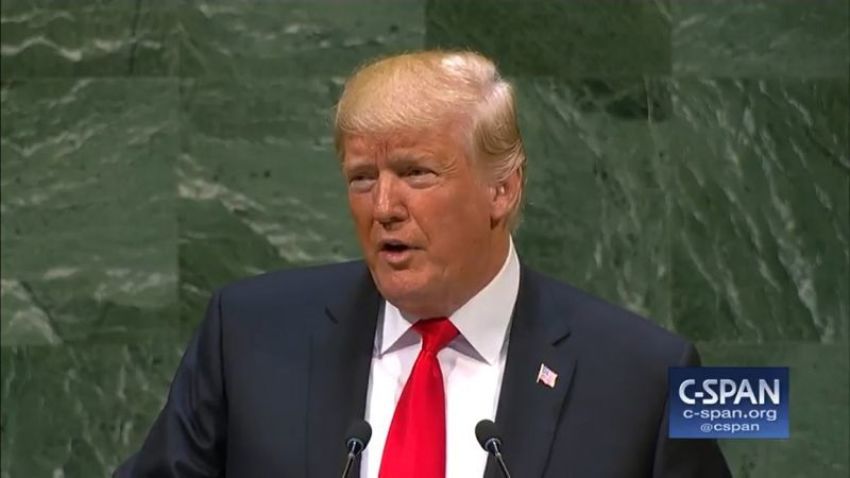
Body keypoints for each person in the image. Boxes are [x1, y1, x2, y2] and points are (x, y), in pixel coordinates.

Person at [115, 50, 731, 478]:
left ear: (503, 189)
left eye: (416, 173)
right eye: (362, 178)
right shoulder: (247, 335)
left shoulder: (647, 377)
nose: (384, 207)